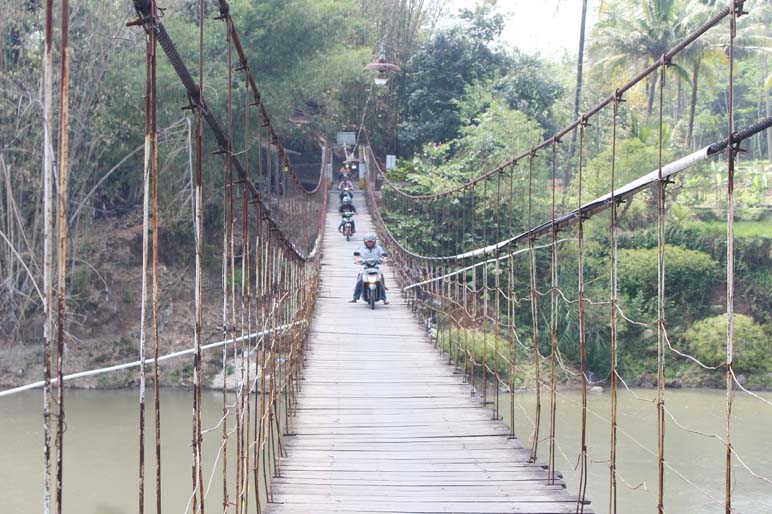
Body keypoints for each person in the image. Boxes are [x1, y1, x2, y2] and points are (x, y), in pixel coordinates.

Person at [350, 233, 389, 304]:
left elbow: (383, 254)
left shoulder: (378, 248)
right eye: (368, 242)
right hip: (365, 267)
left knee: (380, 280)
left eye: (371, 242)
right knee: (360, 279)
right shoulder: (362, 248)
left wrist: (384, 259)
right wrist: (356, 260)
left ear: (374, 242)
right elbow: (357, 254)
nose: (370, 243)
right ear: (365, 242)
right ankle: (355, 297)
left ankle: (384, 299)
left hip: (375, 267)